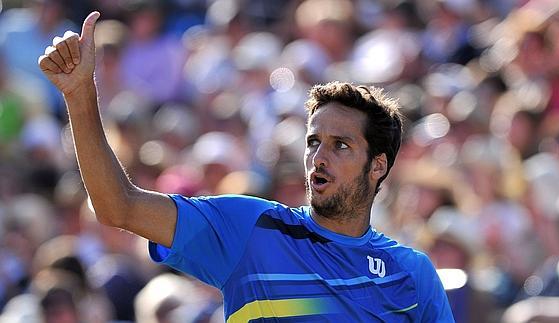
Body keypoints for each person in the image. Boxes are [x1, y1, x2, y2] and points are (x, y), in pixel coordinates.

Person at [38, 11, 454, 322]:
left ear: (377, 165)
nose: (319, 157)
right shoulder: (249, 227)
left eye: (340, 145)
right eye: (313, 142)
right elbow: (118, 207)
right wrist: (79, 96)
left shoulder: (412, 274)